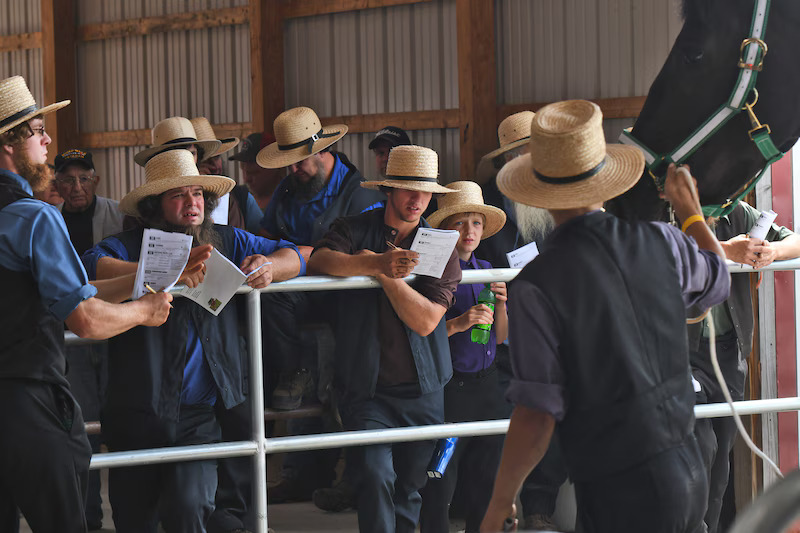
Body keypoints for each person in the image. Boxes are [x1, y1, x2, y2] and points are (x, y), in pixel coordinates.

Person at [480, 100, 731, 533]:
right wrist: (689, 211)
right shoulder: (663, 241)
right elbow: (718, 278)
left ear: (538, 190)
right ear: (604, 179)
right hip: (689, 466)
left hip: (618, 485)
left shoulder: (536, 286)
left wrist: (501, 501)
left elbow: (537, 413)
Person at [82, 149, 305, 533]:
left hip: (200, 414)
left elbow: (301, 254)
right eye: (178, 195)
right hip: (137, 412)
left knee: (190, 506)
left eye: (198, 194)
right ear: (155, 205)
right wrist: (168, 270)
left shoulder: (226, 240)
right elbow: (92, 267)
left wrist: (271, 267)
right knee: (135, 519)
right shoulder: (127, 246)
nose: (192, 203)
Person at [0, 75, 173, 533]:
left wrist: (140, 278)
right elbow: (86, 319)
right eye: (38, 131)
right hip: (27, 399)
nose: (47, 140)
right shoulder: (35, 217)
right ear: (9, 146)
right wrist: (145, 311)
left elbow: (68, 291)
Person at [308, 144, 460, 533]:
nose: (417, 199)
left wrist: (381, 274)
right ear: (388, 190)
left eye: (425, 191)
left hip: (424, 389)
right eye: (408, 189)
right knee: (375, 477)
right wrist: (376, 261)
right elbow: (320, 259)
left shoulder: (442, 245)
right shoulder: (353, 227)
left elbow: (426, 321)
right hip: (367, 387)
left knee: (412, 487)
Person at [255, 105, 387, 503]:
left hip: (348, 298)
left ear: (320, 150)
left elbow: (361, 251)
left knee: (348, 383)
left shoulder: (358, 192)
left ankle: (352, 478)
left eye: (299, 163)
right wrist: (271, 258)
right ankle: (301, 465)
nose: (292, 170)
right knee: (269, 303)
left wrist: (300, 254)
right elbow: (265, 235)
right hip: (298, 292)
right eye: (287, 164)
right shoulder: (289, 187)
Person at [475, 111, 566, 531]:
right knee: (506, 425)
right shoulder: (489, 209)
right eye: (525, 152)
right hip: (502, 336)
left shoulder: (560, 198)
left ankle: (541, 509)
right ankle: (500, 509)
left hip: (551, 333)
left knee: (552, 422)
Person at [691, 202, 800, 533]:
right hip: (682, 351)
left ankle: (707, 527)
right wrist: (728, 250)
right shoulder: (668, 214)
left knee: (721, 453)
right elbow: (660, 253)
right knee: (698, 448)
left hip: (728, 349)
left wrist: (771, 252)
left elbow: (794, 241)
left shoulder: (737, 212)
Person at [419, 181, 508, 533]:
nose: (469, 231)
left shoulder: (488, 268)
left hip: (488, 384)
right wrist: (458, 323)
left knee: (488, 474)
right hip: (451, 388)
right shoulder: (432, 274)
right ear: (443, 229)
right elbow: (421, 333)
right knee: (441, 476)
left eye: (476, 223)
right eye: (459, 223)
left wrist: (502, 304)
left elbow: (501, 338)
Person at [53, 147, 126, 530]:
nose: (76, 187)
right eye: (67, 179)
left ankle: (131, 512)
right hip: (74, 331)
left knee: (122, 418)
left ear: (96, 180)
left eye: (83, 178)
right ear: (57, 184)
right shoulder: (50, 220)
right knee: (82, 424)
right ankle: (89, 517)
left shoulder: (117, 214)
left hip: (115, 329)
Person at [229, 132, 284, 212]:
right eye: (244, 171)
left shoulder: (292, 202)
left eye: (254, 172)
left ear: (274, 167)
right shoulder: (238, 200)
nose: (247, 179)